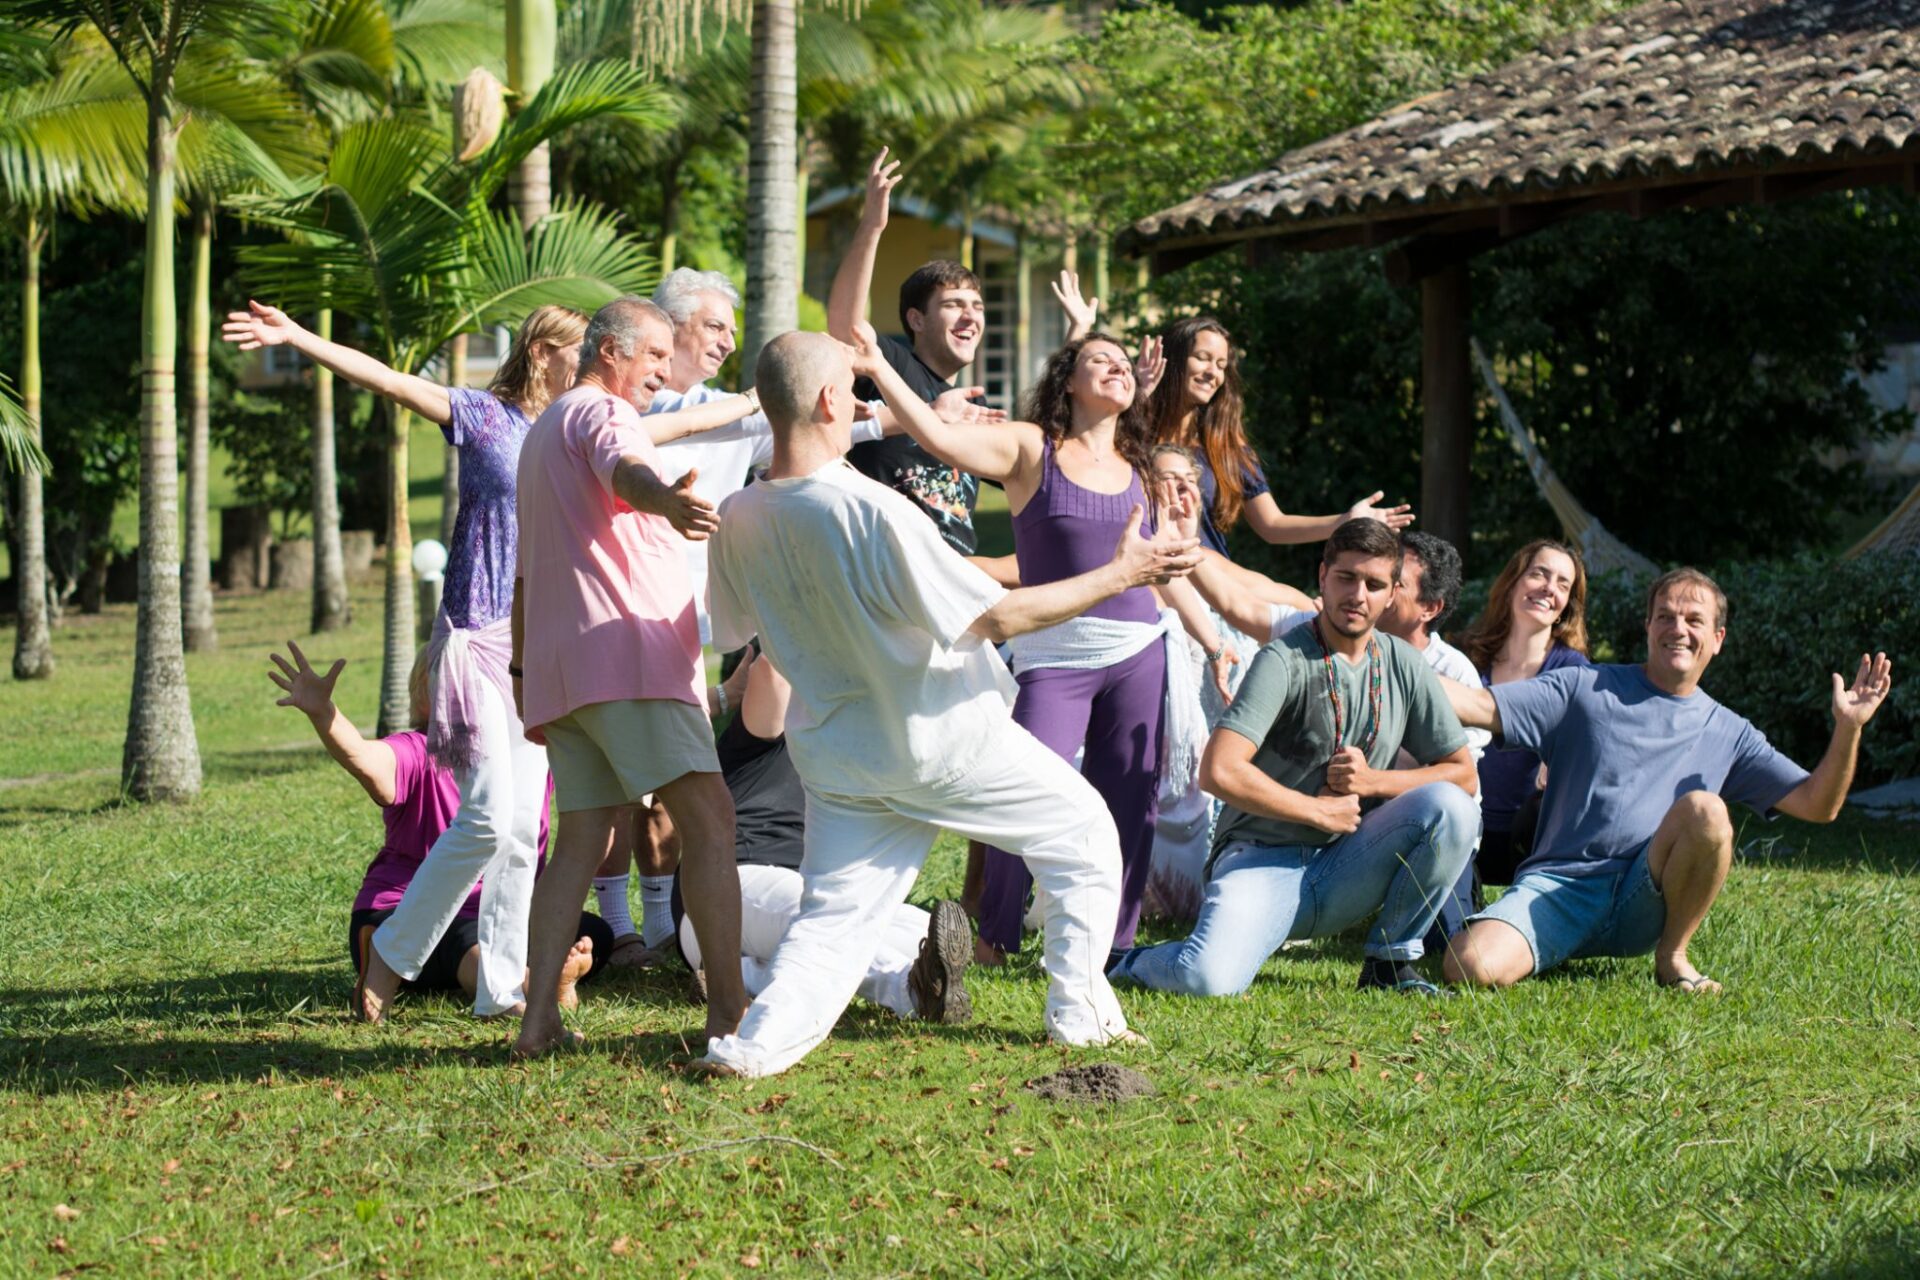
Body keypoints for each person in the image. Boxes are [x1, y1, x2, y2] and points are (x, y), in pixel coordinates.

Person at [698, 325, 1205, 1078]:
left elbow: (734, 629)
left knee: (832, 921)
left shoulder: (739, 514)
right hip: (939, 740)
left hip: (837, 758)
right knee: (1086, 836)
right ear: (834, 399)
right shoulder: (871, 510)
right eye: (856, 385)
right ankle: (1081, 1017)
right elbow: (996, 618)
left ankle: (752, 1049)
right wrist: (1120, 574)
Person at [877, 331, 1238, 969]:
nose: (1118, 369)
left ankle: (1112, 946)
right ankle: (994, 938)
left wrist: (1212, 642)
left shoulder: (1144, 470)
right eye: (1101, 360)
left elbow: (1163, 570)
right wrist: (879, 368)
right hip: (1054, 654)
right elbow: (939, 439)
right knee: (1023, 790)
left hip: (1139, 650)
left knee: (1130, 796)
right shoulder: (1029, 448)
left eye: (1125, 365)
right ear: (1068, 381)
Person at [1439, 568, 1894, 994]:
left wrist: (1848, 727)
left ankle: (1672, 955)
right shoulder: (1583, 687)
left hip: (1644, 897)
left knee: (1706, 810)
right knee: (1469, 965)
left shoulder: (1730, 732)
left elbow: (1818, 804)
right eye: (1665, 617)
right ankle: (1549, 941)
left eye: (1694, 620)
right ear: (1648, 627)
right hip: (1561, 888)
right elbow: (1479, 706)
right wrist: (1386, 657)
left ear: (1717, 639)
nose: (1678, 628)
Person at [509, 296, 748, 1059]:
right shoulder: (600, 414)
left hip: (564, 670)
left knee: (579, 840)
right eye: (652, 357)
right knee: (709, 820)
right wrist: (669, 504)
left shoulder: (542, 431)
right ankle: (732, 1017)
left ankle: (537, 1020)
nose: (662, 371)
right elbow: (629, 469)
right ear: (610, 352)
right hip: (626, 657)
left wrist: (522, 670)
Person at [1107, 517, 1480, 998]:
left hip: (1346, 863)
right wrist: (1315, 809)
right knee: (1206, 979)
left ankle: (1390, 962)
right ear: (1321, 577)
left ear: (1390, 595)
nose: (1358, 595)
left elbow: (1462, 773)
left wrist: (1373, 783)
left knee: (1452, 809)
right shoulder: (1283, 659)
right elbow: (1218, 769)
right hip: (1261, 860)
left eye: (1374, 584)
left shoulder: (1405, 665)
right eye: (1346, 577)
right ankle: (1132, 961)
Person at [266, 641, 609, 1013]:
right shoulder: (419, 749)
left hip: (496, 910)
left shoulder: (527, 761)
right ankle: (532, 985)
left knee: (593, 933)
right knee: (464, 943)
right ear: (429, 697)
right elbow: (368, 760)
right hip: (402, 912)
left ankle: (537, 974)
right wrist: (324, 713)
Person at [671, 645, 974, 1025]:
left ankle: (750, 975)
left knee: (915, 928)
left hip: (796, 892)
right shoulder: (768, 728)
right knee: (825, 919)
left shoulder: (852, 745)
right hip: (727, 888)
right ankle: (907, 989)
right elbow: (772, 668)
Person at [1452, 540, 1593, 885]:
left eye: (1563, 584)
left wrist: (1557, 759)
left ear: (1565, 607)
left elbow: (1585, 746)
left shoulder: (1573, 671)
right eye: (1539, 574)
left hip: (1527, 836)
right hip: (1461, 821)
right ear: (1513, 582)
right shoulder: (1468, 655)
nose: (1549, 588)